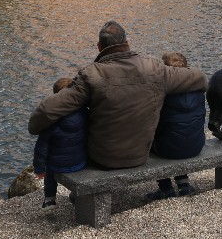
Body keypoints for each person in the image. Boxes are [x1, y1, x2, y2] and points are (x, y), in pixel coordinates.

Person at [28, 21, 207, 169]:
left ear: (99, 47)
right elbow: (199, 77)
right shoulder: (155, 69)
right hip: (139, 156)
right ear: (127, 43)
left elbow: (47, 110)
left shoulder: (91, 75)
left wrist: (33, 128)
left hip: (103, 159)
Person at [146, 52, 206, 200]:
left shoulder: (161, 94)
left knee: (150, 142)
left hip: (167, 149)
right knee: (181, 133)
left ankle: (165, 188)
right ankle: (183, 185)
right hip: (196, 146)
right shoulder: (199, 91)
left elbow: (154, 125)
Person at [32, 77, 88, 209]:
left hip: (57, 165)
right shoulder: (84, 113)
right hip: (80, 162)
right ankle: (76, 195)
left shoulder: (51, 119)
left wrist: (39, 169)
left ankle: (50, 199)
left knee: (49, 173)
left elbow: (41, 148)